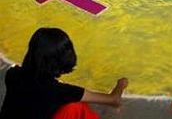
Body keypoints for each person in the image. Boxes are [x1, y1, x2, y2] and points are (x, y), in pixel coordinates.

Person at [0, 28, 128, 119]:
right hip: (62, 96)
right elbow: (113, 100)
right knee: (76, 106)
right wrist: (121, 84)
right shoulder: (59, 91)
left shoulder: (12, 73)